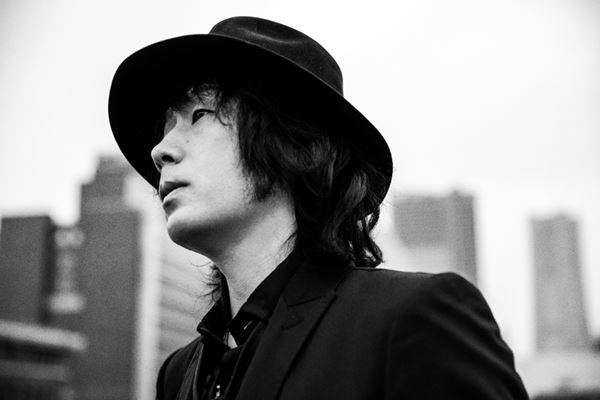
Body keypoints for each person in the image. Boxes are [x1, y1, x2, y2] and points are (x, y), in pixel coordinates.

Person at [108, 16, 529, 400]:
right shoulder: (178, 375)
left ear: (291, 144)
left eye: (199, 114)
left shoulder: (412, 320)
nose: (160, 150)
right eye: (165, 126)